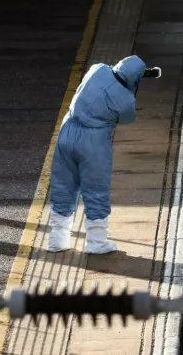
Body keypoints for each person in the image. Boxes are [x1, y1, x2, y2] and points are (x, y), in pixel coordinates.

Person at [47, 55, 147, 254]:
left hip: (67, 131)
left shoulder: (97, 69)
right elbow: (127, 118)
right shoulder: (126, 100)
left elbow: (104, 75)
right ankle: (96, 242)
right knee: (96, 190)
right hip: (93, 142)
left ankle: (57, 240)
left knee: (63, 186)